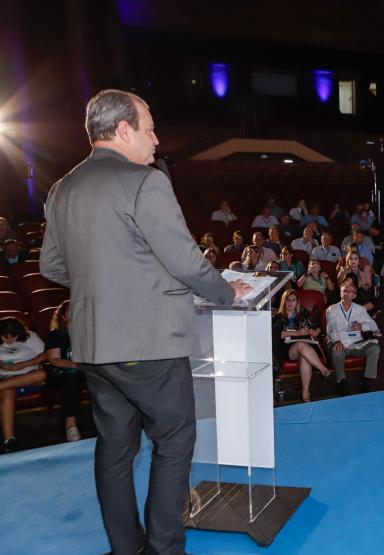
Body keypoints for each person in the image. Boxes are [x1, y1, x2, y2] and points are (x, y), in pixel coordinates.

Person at [39, 89, 249, 555]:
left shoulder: (62, 188)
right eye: (150, 128)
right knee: (174, 441)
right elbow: (187, 262)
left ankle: (126, 548)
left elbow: (51, 267)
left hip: (95, 346)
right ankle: (165, 549)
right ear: (123, 130)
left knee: (115, 450)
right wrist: (227, 292)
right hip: (150, 344)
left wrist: (104, 278)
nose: (156, 140)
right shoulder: (146, 182)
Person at [273, 289, 332, 402]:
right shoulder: (279, 316)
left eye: (293, 300)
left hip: (307, 346)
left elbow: (317, 326)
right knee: (300, 345)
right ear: (283, 302)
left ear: (297, 302)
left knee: (304, 358)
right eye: (288, 300)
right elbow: (276, 334)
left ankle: (306, 394)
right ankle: (324, 370)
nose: (290, 303)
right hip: (287, 348)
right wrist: (296, 333)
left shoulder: (303, 314)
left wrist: (313, 331)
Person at [325, 281, 381, 395]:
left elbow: (374, 326)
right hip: (338, 341)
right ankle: (341, 381)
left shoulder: (360, 309)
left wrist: (362, 326)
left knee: (375, 348)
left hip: (356, 343)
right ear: (340, 293)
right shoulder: (332, 309)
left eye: (349, 291)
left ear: (354, 295)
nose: (346, 293)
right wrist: (337, 341)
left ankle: (366, 381)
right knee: (338, 352)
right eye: (344, 290)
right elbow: (331, 328)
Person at [0, 317, 47, 452]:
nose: (9, 340)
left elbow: (46, 355)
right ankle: (9, 439)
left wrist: (24, 364)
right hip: (5, 377)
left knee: (41, 374)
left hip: (28, 376)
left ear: (19, 333)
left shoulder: (30, 337)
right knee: (7, 392)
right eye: (5, 337)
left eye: (13, 336)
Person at [43, 301, 84, 441]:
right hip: (63, 372)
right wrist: (76, 365)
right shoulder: (56, 335)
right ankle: (70, 425)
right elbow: (54, 359)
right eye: (69, 311)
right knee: (71, 382)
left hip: (86, 371)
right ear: (63, 317)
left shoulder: (90, 333)